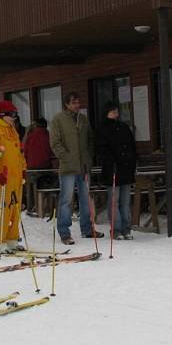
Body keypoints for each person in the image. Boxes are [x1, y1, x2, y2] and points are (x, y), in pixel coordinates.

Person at [49, 92, 103, 245]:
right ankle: (64, 233)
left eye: (78, 102)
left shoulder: (83, 119)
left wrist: (89, 155)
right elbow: (54, 142)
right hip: (67, 167)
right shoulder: (58, 119)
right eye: (73, 102)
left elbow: (90, 139)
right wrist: (66, 157)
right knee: (66, 200)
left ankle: (87, 229)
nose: (76, 105)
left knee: (86, 199)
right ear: (66, 104)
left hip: (84, 166)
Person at [0, 101, 27, 253]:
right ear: (3, 115)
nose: (14, 118)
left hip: (15, 178)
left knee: (14, 207)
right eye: (12, 115)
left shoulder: (13, 131)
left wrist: (23, 168)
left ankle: (11, 239)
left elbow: (19, 152)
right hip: (1, 178)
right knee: (0, 207)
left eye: (15, 115)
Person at [96, 102, 137, 240]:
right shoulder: (103, 129)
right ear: (106, 113)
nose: (115, 113)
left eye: (116, 111)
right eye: (112, 111)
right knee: (114, 201)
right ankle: (117, 229)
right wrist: (111, 162)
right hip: (112, 169)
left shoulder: (124, 127)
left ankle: (126, 228)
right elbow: (102, 149)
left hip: (126, 168)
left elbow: (132, 145)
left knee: (125, 201)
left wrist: (133, 161)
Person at [23, 117, 54, 214]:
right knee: (49, 185)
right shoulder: (48, 136)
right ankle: (48, 206)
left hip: (31, 168)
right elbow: (51, 151)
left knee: (31, 186)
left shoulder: (30, 136)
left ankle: (31, 206)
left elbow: (25, 152)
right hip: (45, 167)